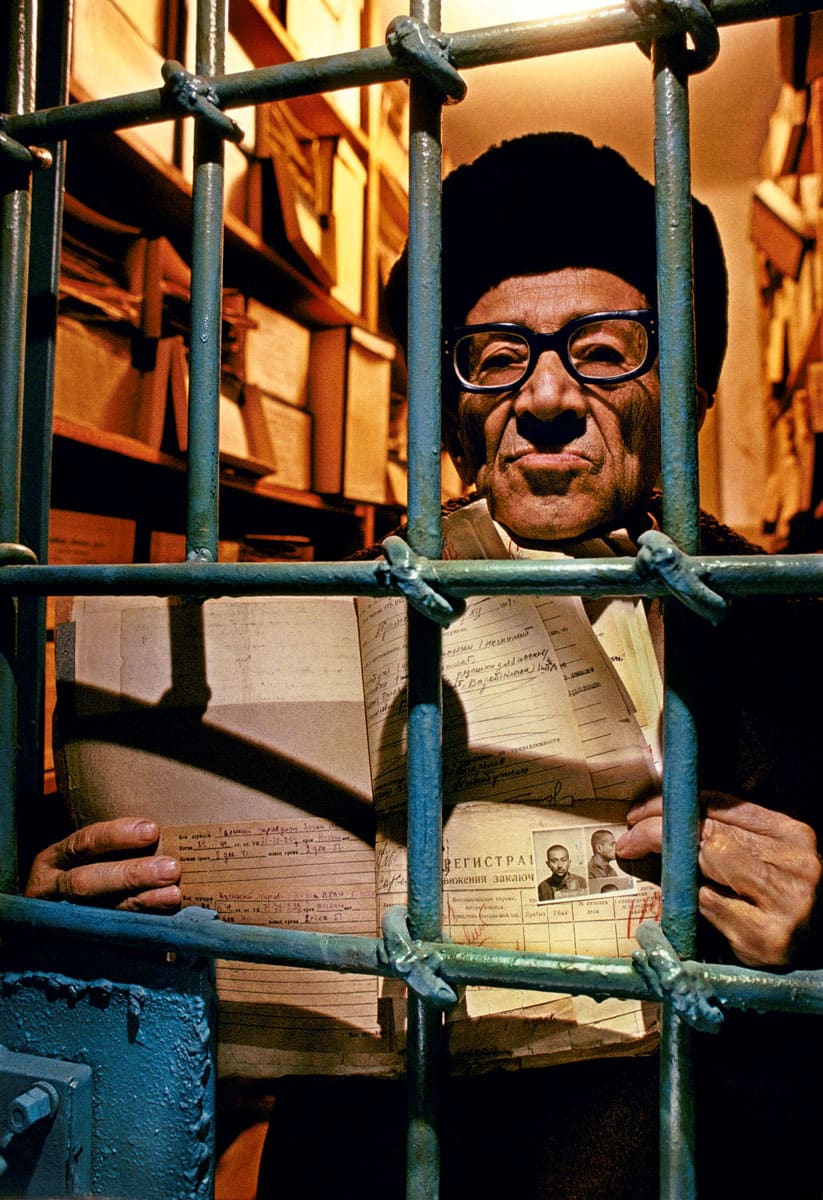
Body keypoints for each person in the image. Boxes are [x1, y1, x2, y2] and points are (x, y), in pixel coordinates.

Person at [23, 133, 823, 1198]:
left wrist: (818, 938)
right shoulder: (338, 616)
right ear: (449, 417)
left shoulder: (798, 633)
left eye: (603, 350)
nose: (545, 396)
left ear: (686, 389)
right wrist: (64, 941)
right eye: (493, 357)